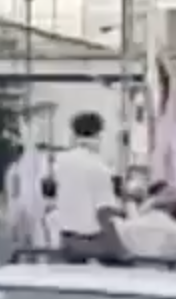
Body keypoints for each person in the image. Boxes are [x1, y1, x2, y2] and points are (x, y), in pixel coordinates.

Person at [52, 111, 123, 261]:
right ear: (99, 135)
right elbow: (103, 212)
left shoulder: (59, 162)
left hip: (66, 240)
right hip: (92, 243)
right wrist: (119, 248)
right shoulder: (98, 167)